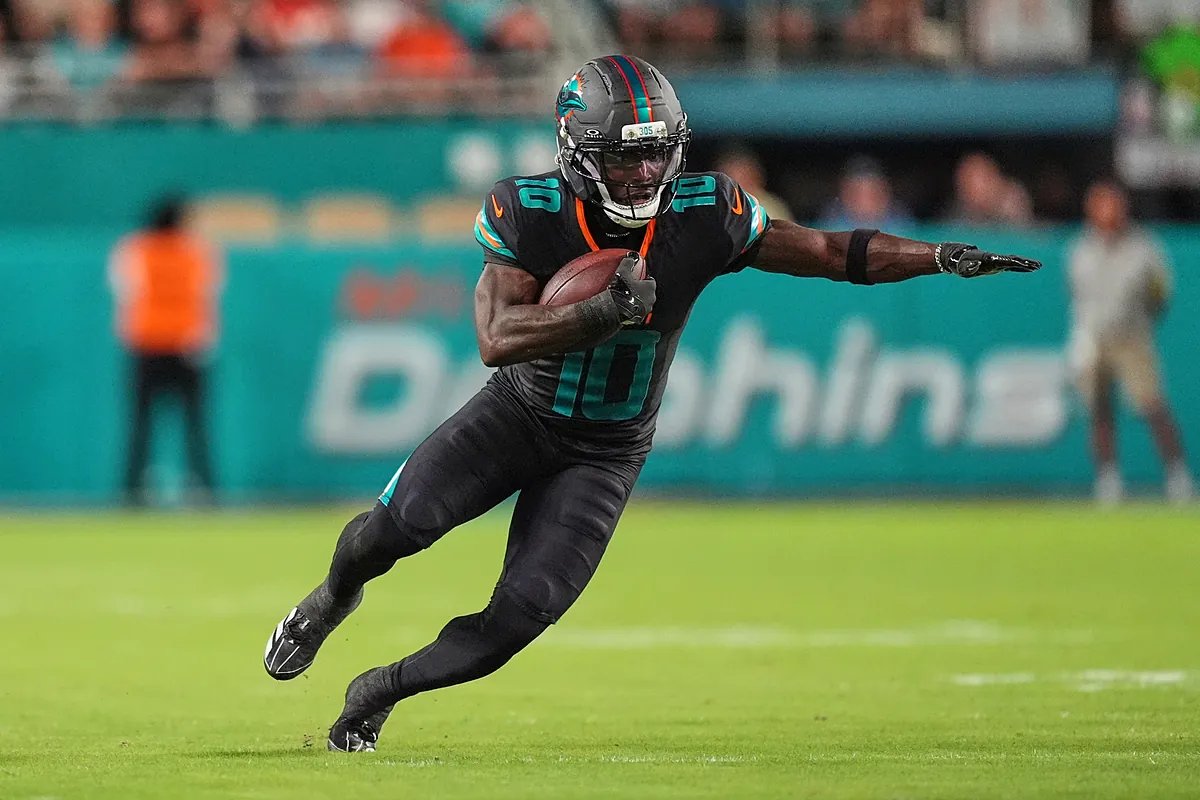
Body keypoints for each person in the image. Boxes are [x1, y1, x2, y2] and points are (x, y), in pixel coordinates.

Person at [263, 54, 1041, 753]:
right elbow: (496, 337)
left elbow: (832, 252)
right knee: (393, 530)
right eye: (624, 156)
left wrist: (936, 255)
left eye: (655, 153)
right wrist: (600, 314)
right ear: (577, 153)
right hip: (518, 414)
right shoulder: (528, 210)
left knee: (520, 618)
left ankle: (379, 693)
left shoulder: (708, 211)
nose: (643, 174)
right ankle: (331, 600)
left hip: (606, 449)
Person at [1067, 179, 1194, 505]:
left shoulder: (1143, 246)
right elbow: (1078, 298)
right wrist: (1081, 339)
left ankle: (1177, 474)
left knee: (1152, 405)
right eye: (1099, 204)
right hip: (1095, 337)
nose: (1106, 211)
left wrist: (1141, 323)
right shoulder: (1081, 248)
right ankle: (1108, 479)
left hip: (1131, 336)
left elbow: (1159, 293)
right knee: (1099, 410)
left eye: (1111, 203)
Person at [109, 195, 223, 507]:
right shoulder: (196, 251)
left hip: (147, 345)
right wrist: (205, 341)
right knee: (194, 425)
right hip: (185, 347)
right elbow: (207, 298)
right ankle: (202, 487)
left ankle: (134, 489)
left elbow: (125, 294)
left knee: (143, 425)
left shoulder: (134, 249)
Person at [819, 154, 914, 230]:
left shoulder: (901, 224)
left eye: (873, 194)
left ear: (886, 193)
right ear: (844, 194)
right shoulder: (831, 225)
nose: (865, 202)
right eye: (856, 194)